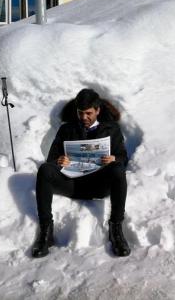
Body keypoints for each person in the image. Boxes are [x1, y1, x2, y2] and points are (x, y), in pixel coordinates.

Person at [32, 88, 131, 258]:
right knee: (44, 170)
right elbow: (51, 160)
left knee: (117, 169)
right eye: (80, 113)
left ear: (98, 110)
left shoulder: (111, 129)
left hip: (99, 185)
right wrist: (59, 161)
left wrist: (114, 159)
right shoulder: (66, 130)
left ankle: (116, 230)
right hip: (72, 184)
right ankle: (46, 232)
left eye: (88, 113)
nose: (84, 117)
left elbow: (123, 158)